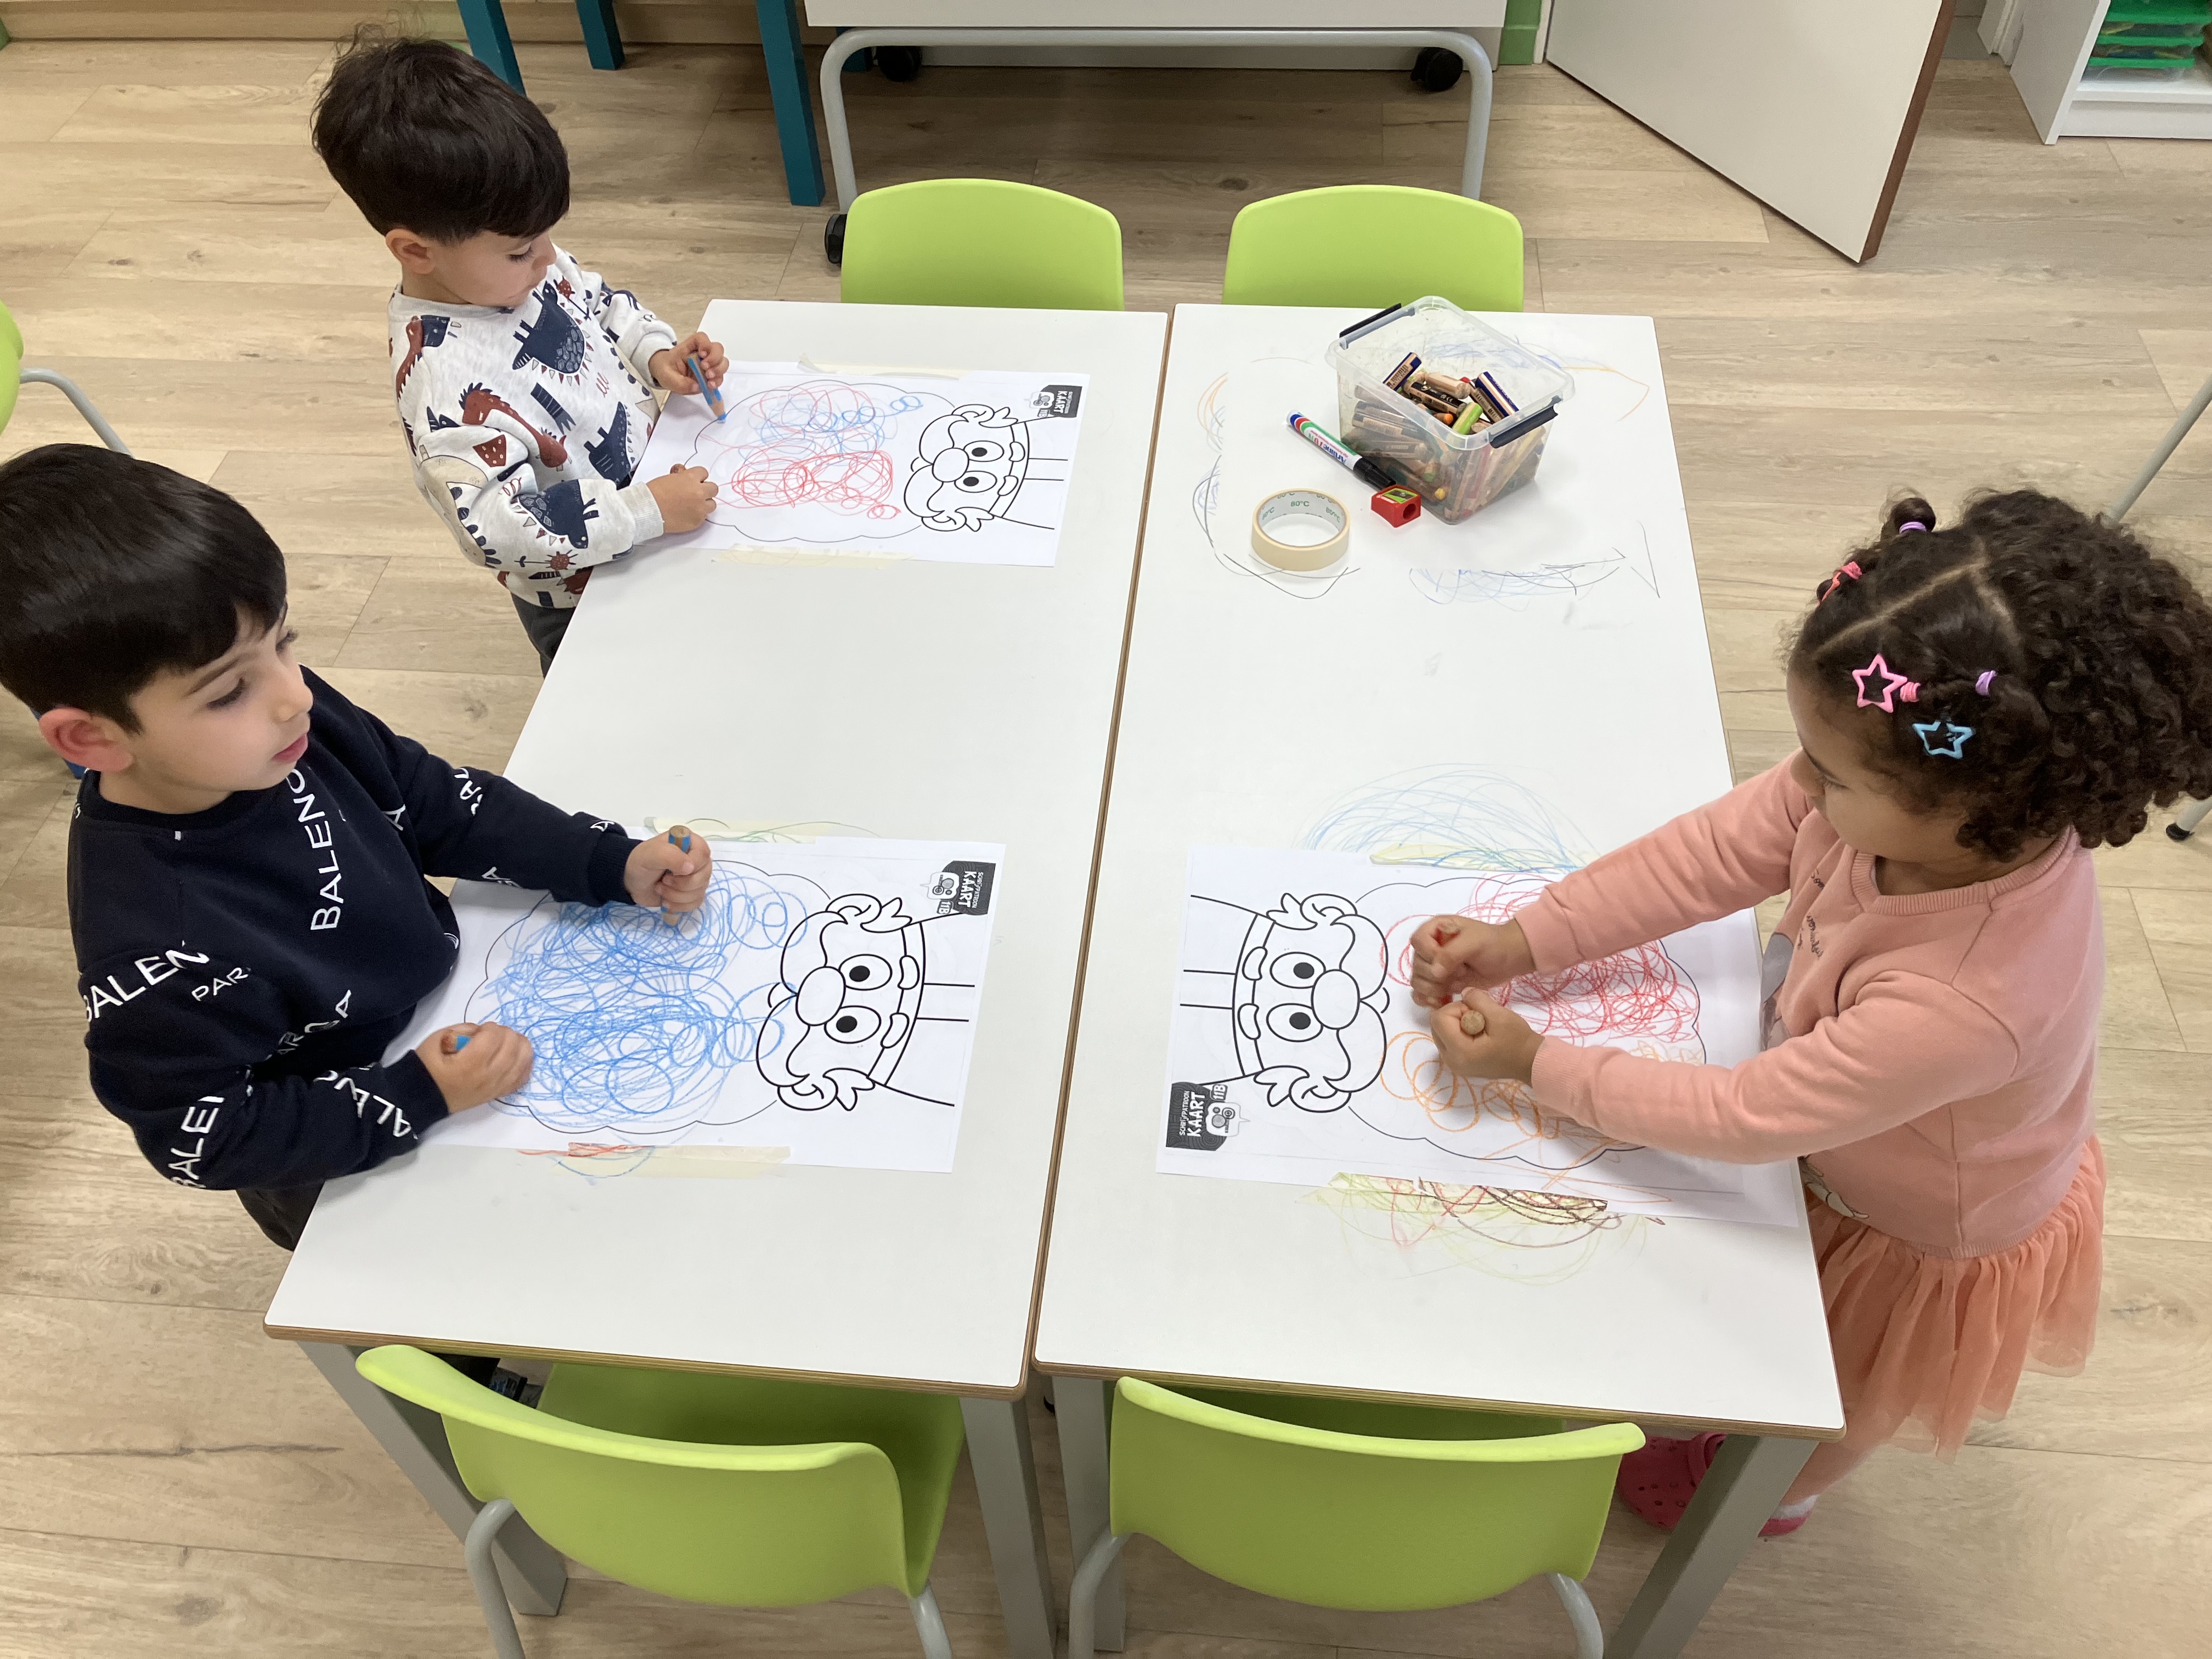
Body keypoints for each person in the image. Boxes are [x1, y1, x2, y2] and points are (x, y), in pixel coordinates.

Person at [1409, 489, 2212, 1534]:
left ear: (1975, 808)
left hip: (1912, 1225)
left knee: (1839, 1382)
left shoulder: (1969, 997)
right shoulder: (1902, 797)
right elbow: (1709, 853)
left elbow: (1748, 1113)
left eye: (1827, 774)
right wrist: (1528, 938)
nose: (1797, 779)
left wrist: (1533, 1062)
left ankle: (1779, 1492)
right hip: (1840, 1123)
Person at [0, 445, 713, 1251]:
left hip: (451, 1024)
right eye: (229, 690)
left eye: (285, 640)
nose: (293, 694)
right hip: (346, 1162)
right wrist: (416, 1095)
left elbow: (434, 800)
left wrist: (605, 860)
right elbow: (200, 1137)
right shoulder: (155, 940)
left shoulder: (282, 723)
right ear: (91, 739)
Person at [311, 31, 724, 673]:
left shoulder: (520, 265)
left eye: (546, 237)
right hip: (582, 593)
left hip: (657, 514)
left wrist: (657, 355)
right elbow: (494, 526)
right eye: (522, 250)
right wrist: (644, 511)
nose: (548, 257)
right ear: (416, 250)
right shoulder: (444, 386)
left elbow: (596, 302)